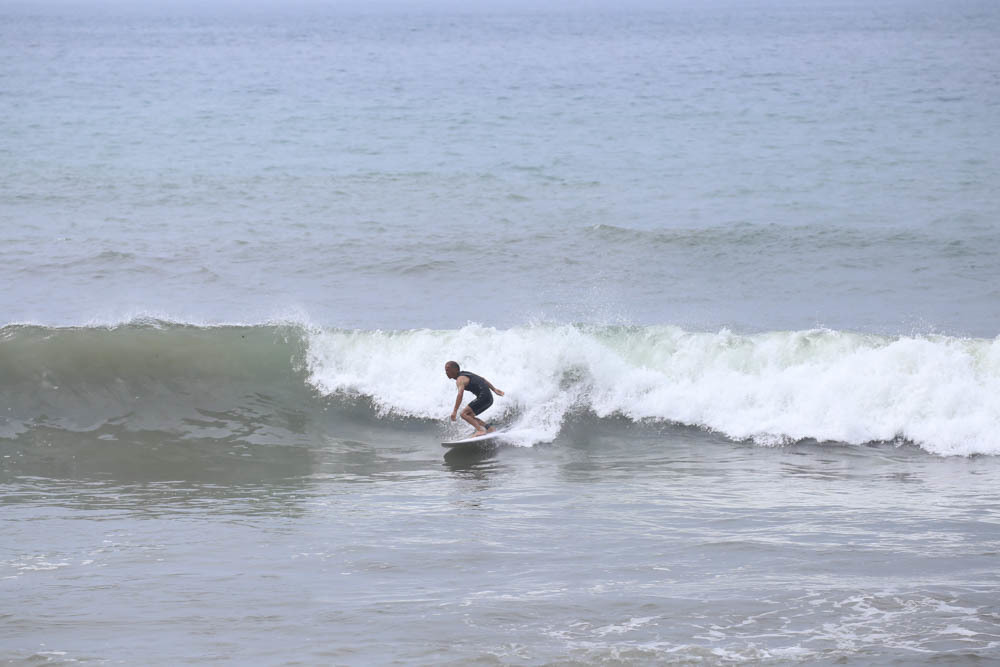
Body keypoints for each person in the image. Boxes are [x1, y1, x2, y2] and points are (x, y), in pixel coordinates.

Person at [445, 360, 504, 436]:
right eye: (445, 370)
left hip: (484, 397)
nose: (446, 372)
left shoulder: (460, 379)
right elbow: (483, 379)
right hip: (489, 398)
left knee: (463, 414)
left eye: (448, 369)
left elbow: (460, 394)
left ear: (455, 370)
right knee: (469, 416)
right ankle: (489, 428)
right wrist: (494, 389)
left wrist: (454, 411)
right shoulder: (466, 373)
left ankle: (480, 430)